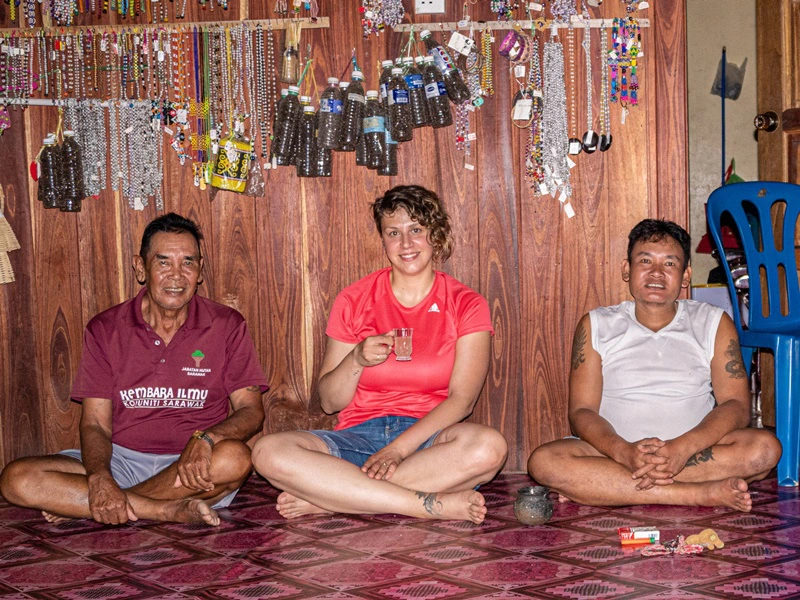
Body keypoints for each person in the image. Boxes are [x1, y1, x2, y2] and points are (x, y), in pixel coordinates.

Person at [252, 185, 507, 524]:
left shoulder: (466, 303)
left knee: (489, 447)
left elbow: (462, 401)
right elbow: (329, 402)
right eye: (394, 233)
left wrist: (398, 449)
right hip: (357, 436)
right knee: (268, 452)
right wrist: (356, 359)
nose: (406, 244)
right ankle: (424, 504)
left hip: (428, 441)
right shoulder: (354, 299)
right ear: (383, 240)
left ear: (435, 235)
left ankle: (334, 498)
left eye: (416, 230)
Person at [0, 213, 268, 526]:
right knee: (17, 478)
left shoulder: (227, 325)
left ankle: (96, 504)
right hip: (120, 460)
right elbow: (96, 425)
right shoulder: (106, 328)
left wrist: (206, 438)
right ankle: (165, 510)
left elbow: (251, 411)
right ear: (140, 268)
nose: (177, 275)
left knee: (235, 458)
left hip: (193, 465)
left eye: (188, 262)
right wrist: (100, 478)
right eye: (163, 262)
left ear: (200, 270)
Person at [528, 219, 781, 512]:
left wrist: (682, 448)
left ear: (686, 275)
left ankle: (603, 488)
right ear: (627, 269)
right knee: (544, 462)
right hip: (612, 453)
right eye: (645, 261)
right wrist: (623, 452)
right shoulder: (596, 324)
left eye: (669, 263)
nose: (656, 273)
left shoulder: (712, 322)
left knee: (764, 450)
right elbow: (581, 411)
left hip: (692, 451)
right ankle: (696, 494)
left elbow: (736, 405)